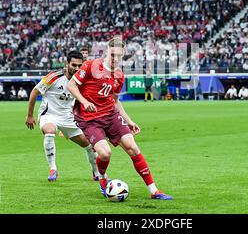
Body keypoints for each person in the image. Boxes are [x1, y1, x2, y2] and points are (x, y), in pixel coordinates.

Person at [67, 38, 172, 200]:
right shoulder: (90, 66)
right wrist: (84, 101)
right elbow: (71, 86)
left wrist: (129, 120)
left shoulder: (119, 75)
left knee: (132, 147)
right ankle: (102, 176)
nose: (116, 59)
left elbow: (115, 101)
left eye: (120, 56)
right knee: (105, 153)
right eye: (113, 55)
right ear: (107, 51)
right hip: (90, 119)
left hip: (110, 115)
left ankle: (154, 191)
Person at [25, 51, 99, 182]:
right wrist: (30, 115)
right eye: (73, 65)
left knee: (88, 144)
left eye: (79, 65)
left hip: (68, 117)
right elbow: (35, 92)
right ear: (66, 64)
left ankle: (96, 172)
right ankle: (53, 169)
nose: (76, 68)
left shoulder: (82, 80)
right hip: (49, 114)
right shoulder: (53, 76)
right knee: (49, 131)